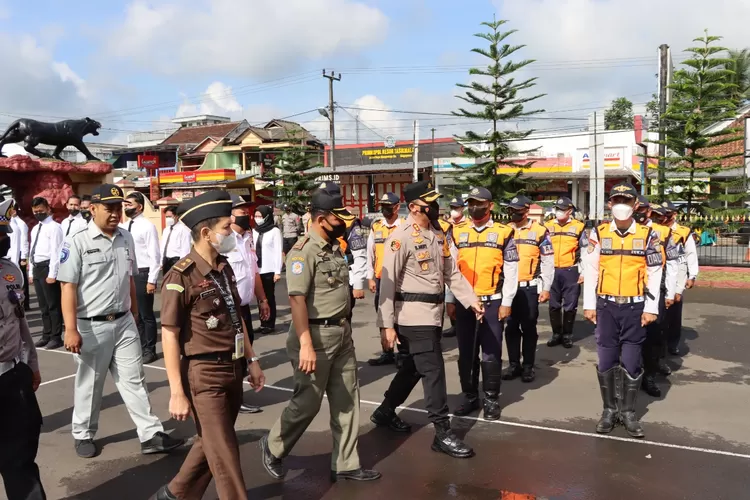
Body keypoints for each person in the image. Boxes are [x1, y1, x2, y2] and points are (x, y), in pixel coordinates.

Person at [260, 185, 381, 483]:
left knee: (347, 400)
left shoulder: (335, 247)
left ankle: (346, 463)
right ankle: (273, 446)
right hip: (313, 335)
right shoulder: (303, 251)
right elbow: (297, 299)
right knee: (308, 402)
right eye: (337, 217)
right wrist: (305, 344)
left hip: (341, 331)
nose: (342, 222)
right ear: (321, 217)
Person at [58, 184, 184, 459]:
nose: (116, 213)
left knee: (134, 379)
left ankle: (150, 433)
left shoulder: (125, 238)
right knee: (90, 383)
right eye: (109, 208)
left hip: (125, 321)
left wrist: (135, 314)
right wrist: (70, 329)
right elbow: (67, 287)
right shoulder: (76, 241)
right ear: (92, 209)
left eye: (119, 208)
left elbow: (129, 279)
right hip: (91, 325)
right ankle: (83, 433)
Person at [155, 190, 266, 500]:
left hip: (233, 367)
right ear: (206, 233)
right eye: (226, 228)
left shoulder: (224, 266)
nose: (232, 232)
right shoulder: (181, 276)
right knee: (226, 453)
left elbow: (236, 316)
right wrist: (177, 392)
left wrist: (252, 361)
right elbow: (169, 334)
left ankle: (175, 494)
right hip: (204, 375)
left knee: (211, 444)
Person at [371, 180, 484, 458]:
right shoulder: (401, 237)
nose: (435, 208)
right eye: (429, 204)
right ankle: (443, 433)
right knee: (433, 370)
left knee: (412, 367)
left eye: (435, 203)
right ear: (413, 207)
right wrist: (386, 325)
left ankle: (385, 411)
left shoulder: (437, 232)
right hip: (412, 315)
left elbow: (451, 272)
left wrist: (470, 300)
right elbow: (387, 284)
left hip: (432, 316)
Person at [583, 183, 663, 438]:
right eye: (616, 200)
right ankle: (608, 410)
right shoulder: (598, 233)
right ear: (609, 204)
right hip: (606, 305)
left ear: (635, 205)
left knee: (630, 359)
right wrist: (588, 305)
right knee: (606, 359)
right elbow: (591, 269)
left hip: (635, 305)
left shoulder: (649, 236)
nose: (620, 205)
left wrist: (651, 308)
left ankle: (628, 412)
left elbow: (654, 272)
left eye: (626, 201)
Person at [450, 187, 518, 420]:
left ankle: (490, 399)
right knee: (466, 353)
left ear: (490, 206)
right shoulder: (457, 232)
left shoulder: (504, 232)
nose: (473, 207)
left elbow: (511, 270)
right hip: (464, 304)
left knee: (491, 353)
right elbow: (451, 271)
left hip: (492, 302)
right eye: (470, 203)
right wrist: (450, 299)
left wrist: (506, 302)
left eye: (479, 203)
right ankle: (469, 396)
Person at [0, 198, 47, 500]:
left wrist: (31, 363)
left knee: (20, 459)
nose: (3, 241)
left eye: (3, 234)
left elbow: (20, 323)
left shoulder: (10, 272)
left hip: (11, 377)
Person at [227, 194, 271, 414]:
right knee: (235, 355)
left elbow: (254, 272)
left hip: (244, 308)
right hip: (228, 310)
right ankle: (233, 400)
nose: (247, 216)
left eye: (247, 212)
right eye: (242, 212)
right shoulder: (224, 241)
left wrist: (262, 299)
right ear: (230, 215)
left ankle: (236, 397)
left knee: (244, 351)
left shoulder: (248, 237)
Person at [503, 195, 555, 383]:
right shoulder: (505, 230)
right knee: (510, 328)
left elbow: (548, 261)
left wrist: (546, 287)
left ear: (526, 211)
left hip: (528, 288)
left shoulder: (540, 231)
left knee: (529, 327)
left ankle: (528, 366)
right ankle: (514, 364)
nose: (513, 214)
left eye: (517, 211)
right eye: (511, 210)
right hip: (508, 289)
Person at [633, 197, 680, 397]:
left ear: (649, 211)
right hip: (629, 291)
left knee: (653, 335)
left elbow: (672, 263)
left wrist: (670, 291)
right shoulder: (622, 230)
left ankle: (649, 377)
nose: (639, 212)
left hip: (654, 290)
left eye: (642, 209)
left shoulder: (664, 232)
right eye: (636, 208)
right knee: (629, 337)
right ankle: (630, 375)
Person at [366, 192, 406, 366]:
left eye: (388, 207)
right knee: (383, 316)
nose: (385, 210)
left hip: (401, 280)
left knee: (400, 317)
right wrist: (370, 277)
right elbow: (370, 253)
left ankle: (403, 354)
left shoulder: (405, 226)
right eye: (382, 207)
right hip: (381, 278)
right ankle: (387, 352)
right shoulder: (377, 227)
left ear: (397, 207)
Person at [121, 191, 161, 364]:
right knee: (131, 313)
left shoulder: (147, 226)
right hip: (128, 273)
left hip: (143, 273)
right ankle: (137, 346)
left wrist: (152, 279)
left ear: (140, 206)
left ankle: (149, 349)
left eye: (129, 204)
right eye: (125, 204)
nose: (126, 207)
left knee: (146, 314)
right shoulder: (124, 226)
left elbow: (155, 255)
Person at [544, 196, 587, 349]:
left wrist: (583, 272)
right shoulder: (547, 226)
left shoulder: (579, 227)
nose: (559, 212)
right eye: (557, 209)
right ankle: (556, 334)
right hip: (552, 270)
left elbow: (585, 251)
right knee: (554, 304)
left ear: (569, 211)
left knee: (570, 304)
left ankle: (567, 335)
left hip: (571, 270)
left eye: (562, 210)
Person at [659, 201, 699, 356]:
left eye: (667, 214)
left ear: (674, 215)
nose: (664, 217)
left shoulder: (683, 232)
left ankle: (673, 343)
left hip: (679, 275)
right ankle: (660, 344)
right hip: (662, 273)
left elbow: (691, 254)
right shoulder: (657, 229)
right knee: (660, 313)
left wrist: (692, 275)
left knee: (674, 311)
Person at [29, 197, 64, 350]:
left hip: (47, 267)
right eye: (35, 211)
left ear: (48, 209)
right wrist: (30, 271)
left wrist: (53, 273)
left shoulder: (54, 227)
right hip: (37, 267)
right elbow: (32, 249)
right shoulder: (36, 228)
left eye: (41, 211)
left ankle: (56, 337)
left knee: (53, 304)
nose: (38, 213)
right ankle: (46, 334)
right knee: (43, 306)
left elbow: (57, 251)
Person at [253, 205, 283, 334]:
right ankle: (263, 322)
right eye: (256, 216)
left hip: (269, 269)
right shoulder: (254, 231)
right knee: (260, 298)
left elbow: (278, 251)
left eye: (260, 216)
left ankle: (270, 324)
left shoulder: (274, 231)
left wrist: (277, 271)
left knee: (269, 297)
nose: (257, 219)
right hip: (257, 269)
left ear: (266, 216)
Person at [8, 202, 30, 311]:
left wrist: (24, 257)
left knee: (21, 280)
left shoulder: (19, 224)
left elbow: (24, 241)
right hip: (12, 255)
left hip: (19, 254)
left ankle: (25, 303)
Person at [160, 206, 192, 274]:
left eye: (170, 216)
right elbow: (162, 246)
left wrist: (181, 265)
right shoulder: (166, 230)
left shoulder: (183, 229)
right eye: (166, 217)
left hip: (176, 260)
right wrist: (161, 261)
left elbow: (185, 249)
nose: (168, 219)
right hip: (166, 260)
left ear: (176, 216)